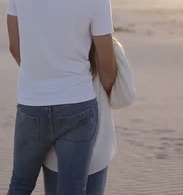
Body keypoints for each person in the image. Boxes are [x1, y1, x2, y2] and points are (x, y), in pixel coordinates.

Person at [6, 0, 117, 194]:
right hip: (78, 105)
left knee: (19, 185)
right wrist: (106, 91)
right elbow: (107, 62)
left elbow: (15, 47)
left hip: (31, 103)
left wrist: (41, 72)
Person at [42, 37, 135, 195]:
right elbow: (124, 97)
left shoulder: (51, 41)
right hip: (97, 148)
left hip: (54, 149)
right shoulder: (107, 44)